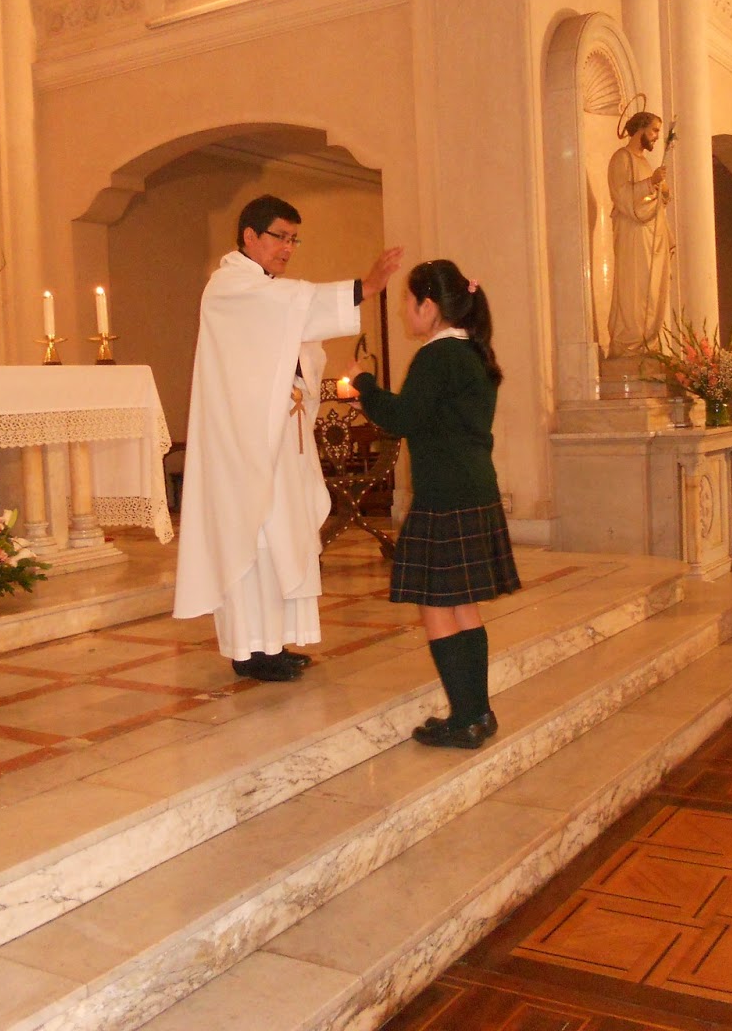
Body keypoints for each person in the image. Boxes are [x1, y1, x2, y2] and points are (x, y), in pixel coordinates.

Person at [174, 194, 403, 682]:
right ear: (249, 236)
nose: (288, 247)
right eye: (280, 236)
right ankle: (247, 650)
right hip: (246, 449)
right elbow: (291, 308)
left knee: (286, 537)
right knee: (254, 540)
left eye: (294, 239)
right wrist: (364, 287)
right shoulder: (229, 286)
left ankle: (273, 643)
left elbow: (298, 337)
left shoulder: (270, 291)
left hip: (282, 441)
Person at [346, 260, 521, 749]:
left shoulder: (436, 355)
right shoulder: (473, 352)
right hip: (474, 488)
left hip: (444, 495)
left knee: (438, 606)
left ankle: (465, 718)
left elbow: (404, 417)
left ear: (429, 305)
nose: (405, 309)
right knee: (463, 606)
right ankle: (478, 712)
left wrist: (363, 386)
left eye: (408, 300)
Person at [606, 110, 674, 358]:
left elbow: (657, 199)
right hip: (633, 236)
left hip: (652, 236)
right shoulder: (621, 159)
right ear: (640, 129)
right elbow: (623, 198)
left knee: (653, 291)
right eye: (654, 130)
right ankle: (629, 344)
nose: (657, 136)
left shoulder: (645, 162)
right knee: (635, 289)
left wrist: (662, 189)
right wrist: (650, 184)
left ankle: (648, 341)